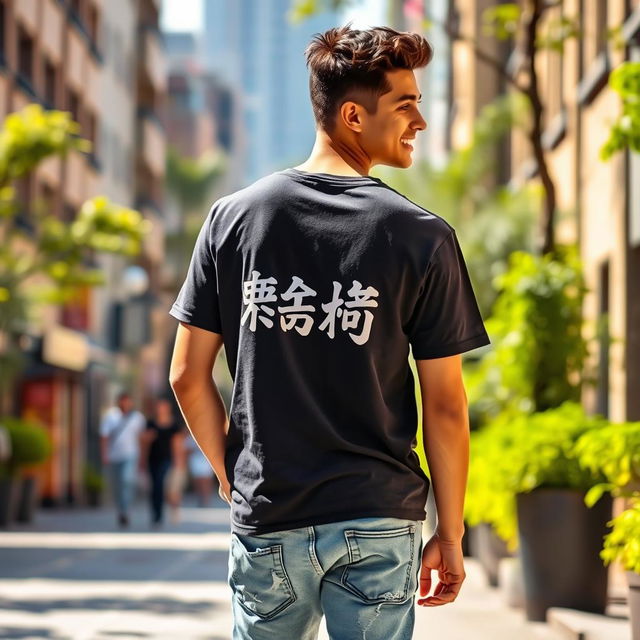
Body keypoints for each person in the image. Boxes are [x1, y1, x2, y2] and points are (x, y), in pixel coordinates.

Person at [168, 23, 491, 640]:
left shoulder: (232, 220)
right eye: (406, 105)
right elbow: (445, 405)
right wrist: (448, 534)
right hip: (378, 518)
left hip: (270, 514)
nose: (418, 122)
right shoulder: (422, 236)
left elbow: (187, 375)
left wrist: (231, 475)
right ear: (352, 115)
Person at [100, 390, 146, 528]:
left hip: (131, 455)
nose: (125, 403)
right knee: (117, 485)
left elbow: (141, 438)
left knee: (127, 481)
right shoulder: (111, 416)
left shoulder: (137, 418)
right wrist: (104, 454)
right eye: (123, 400)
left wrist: (142, 457)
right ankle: (120, 509)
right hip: (114, 456)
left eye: (127, 400)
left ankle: (125, 510)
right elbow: (104, 437)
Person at [139, 396, 183, 527]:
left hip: (167, 460)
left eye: (163, 407)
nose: (161, 409)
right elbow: (143, 442)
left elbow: (178, 444)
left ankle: (165, 512)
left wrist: (179, 462)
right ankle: (156, 514)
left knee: (162, 485)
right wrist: (142, 459)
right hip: (153, 460)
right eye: (159, 407)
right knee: (155, 487)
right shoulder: (150, 423)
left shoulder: (174, 425)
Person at [184, 431, 216, 507]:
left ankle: (206, 499)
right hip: (195, 461)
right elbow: (186, 450)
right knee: (197, 482)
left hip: (206, 461)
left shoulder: (207, 437)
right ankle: (200, 497)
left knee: (207, 481)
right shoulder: (191, 436)